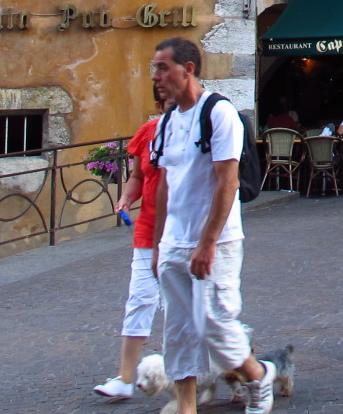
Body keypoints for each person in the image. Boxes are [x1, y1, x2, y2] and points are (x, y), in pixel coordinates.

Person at [149, 37, 276, 414]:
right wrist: (158, 245)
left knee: (214, 325)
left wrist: (207, 243)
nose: (155, 76)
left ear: (187, 69)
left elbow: (228, 182)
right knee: (178, 331)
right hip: (175, 242)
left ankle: (258, 376)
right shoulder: (166, 122)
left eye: (162, 68)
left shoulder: (219, 113)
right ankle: (186, 406)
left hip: (216, 242)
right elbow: (164, 187)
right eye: (155, 68)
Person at [94, 87, 171, 400]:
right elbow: (138, 176)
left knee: (187, 307)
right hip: (148, 230)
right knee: (140, 300)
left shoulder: (198, 134)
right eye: (170, 104)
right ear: (159, 105)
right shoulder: (148, 133)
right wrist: (127, 197)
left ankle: (192, 376)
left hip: (184, 234)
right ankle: (125, 378)